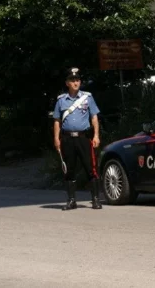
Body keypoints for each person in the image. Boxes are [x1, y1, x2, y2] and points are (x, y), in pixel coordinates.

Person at [52, 67, 102, 210]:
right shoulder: (61, 100)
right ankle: (71, 200)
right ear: (67, 82)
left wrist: (96, 135)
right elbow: (57, 120)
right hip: (67, 139)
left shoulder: (87, 97)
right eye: (72, 80)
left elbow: (94, 117)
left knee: (91, 168)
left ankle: (96, 199)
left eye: (77, 80)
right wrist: (56, 138)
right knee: (69, 169)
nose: (75, 82)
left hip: (84, 138)